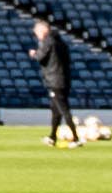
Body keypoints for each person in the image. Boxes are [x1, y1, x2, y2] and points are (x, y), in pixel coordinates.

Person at [30, 17, 78, 145]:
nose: (37, 35)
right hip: (64, 79)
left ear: (43, 30)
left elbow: (41, 57)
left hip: (55, 80)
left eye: (37, 32)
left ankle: (76, 138)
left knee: (63, 109)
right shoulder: (61, 43)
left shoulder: (48, 41)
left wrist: (34, 53)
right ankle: (52, 137)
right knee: (55, 110)